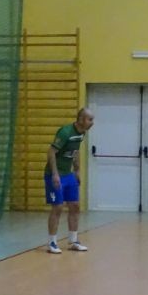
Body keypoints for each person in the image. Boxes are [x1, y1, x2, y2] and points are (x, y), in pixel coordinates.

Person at [45, 108, 95, 254]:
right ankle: (52, 242)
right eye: (90, 120)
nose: (92, 123)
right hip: (55, 174)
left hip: (68, 174)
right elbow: (51, 152)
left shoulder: (82, 133)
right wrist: (55, 174)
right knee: (58, 207)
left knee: (75, 205)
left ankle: (73, 241)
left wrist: (77, 170)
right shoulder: (65, 132)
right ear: (81, 119)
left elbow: (76, 151)